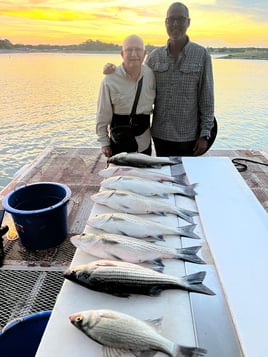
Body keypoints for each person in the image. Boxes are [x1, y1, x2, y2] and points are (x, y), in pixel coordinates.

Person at [104, 2, 215, 156]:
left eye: (180, 19)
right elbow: (134, 76)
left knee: (185, 177)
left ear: (188, 22)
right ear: (166, 23)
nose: (175, 24)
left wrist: (205, 134)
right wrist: (114, 70)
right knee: (163, 175)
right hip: (160, 134)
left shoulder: (201, 55)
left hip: (189, 135)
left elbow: (207, 98)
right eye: (171, 20)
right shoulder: (155, 57)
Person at [96, 34, 155, 158]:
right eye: (129, 50)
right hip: (118, 144)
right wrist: (104, 143)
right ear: (122, 54)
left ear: (145, 53)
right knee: (120, 177)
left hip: (144, 144)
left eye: (138, 50)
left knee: (143, 176)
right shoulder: (110, 79)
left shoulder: (151, 75)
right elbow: (102, 114)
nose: (134, 54)